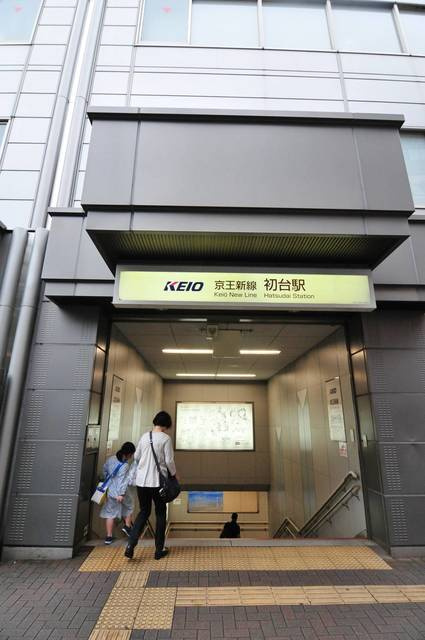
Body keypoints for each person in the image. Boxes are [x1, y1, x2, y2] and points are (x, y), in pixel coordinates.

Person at [124, 411, 177, 560]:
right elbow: (169, 461)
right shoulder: (166, 438)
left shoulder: (144, 436)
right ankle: (159, 550)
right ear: (166, 424)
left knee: (144, 512)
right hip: (157, 482)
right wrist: (174, 474)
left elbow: (137, 457)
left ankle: (130, 545)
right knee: (160, 513)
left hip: (141, 482)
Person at [100, 441, 136, 544]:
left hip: (110, 491)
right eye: (131, 454)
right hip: (121, 492)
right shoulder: (125, 466)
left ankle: (108, 537)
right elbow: (123, 482)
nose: (131, 456)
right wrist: (121, 494)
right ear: (128, 454)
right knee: (129, 506)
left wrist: (109, 479)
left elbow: (104, 470)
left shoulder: (111, 459)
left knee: (110, 514)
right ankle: (127, 526)